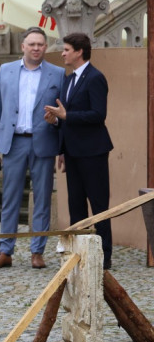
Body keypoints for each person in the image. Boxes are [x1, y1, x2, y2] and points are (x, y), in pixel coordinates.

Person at [0, 27, 63, 271]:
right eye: (32, 44)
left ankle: (37, 251)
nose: (36, 48)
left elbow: (63, 111)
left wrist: (58, 128)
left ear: (45, 47)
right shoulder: (6, 70)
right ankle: (5, 250)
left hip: (44, 141)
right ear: (23, 46)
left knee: (42, 198)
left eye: (40, 44)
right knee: (10, 198)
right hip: (14, 142)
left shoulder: (57, 73)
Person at [44, 32, 114, 270]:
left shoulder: (95, 78)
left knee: (99, 205)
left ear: (79, 51)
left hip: (93, 151)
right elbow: (67, 117)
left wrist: (66, 115)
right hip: (72, 152)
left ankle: (104, 256)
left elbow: (98, 114)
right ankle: (79, 254)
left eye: (66, 49)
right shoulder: (68, 79)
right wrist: (56, 120)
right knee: (76, 205)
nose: (63, 53)